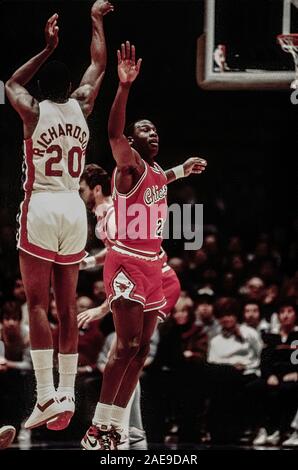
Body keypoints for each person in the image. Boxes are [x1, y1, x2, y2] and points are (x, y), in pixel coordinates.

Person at [80, 41, 207, 450]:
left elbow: (159, 182)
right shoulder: (127, 164)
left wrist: (181, 170)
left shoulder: (151, 170)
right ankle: (97, 427)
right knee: (126, 346)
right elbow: (113, 131)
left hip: (153, 265)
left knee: (142, 352)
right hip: (126, 264)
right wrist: (124, 86)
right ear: (133, 141)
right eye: (145, 129)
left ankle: (114, 427)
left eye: (155, 128)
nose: (153, 132)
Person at [5, 0, 114, 431]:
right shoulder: (82, 106)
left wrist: (47, 48)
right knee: (67, 305)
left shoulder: (31, 111)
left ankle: (46, 395)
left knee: (36, 303)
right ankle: (68, 392)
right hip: (74, 207)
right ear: (71, 87)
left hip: (42, 204)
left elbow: (12, 82)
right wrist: (95, 20)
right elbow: (98, 63)